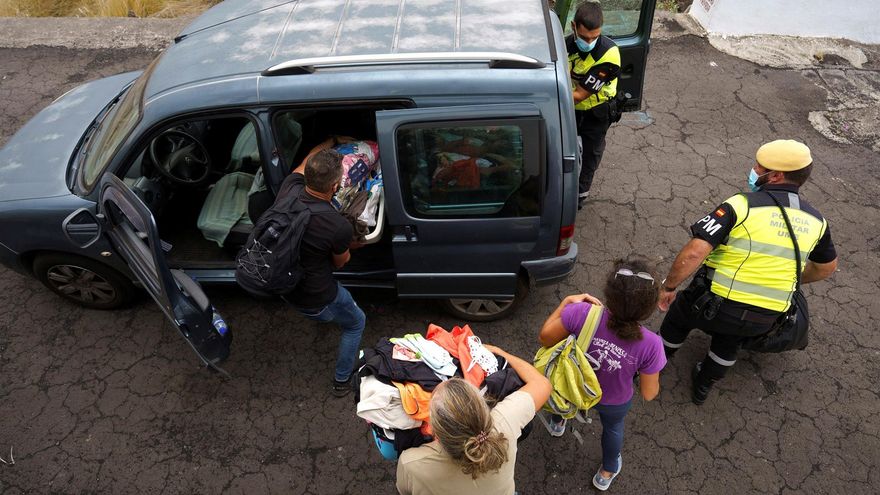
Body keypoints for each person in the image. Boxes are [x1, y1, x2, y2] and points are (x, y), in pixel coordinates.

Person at [657, 139, 838, 405]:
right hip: (766, 316)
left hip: (713, 303)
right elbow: (826, 267)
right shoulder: (817, 221)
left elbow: (695, 252)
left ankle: (655, 364)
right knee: (731, 340)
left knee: (678, 318)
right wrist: (791, 278)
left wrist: (669, 287)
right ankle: (703, 383)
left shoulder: (742, 205)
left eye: (759, 166)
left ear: (775, 175)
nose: (753, 169)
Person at [538, 257, 666, 491]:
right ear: (649, 307)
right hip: (613, 399)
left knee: (566, 398)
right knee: (613, 428)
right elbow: (649, 393)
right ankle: (607, 471)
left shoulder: (582, 312)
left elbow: (545, 337)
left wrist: (566, 301)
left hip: (573, 383)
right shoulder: (652, 345)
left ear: (609, 293)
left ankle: (558, 423)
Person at [395, 345, 552, 495]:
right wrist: (500, 352)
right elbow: (542, 384)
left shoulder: (412, 463)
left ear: (434, 431)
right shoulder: (505, 421)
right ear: (484, 405)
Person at [283, 143, 366, 397]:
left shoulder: (289, 188)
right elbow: (341, 261)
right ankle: (341, 381)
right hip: (317, 294)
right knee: (355, 323)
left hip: (286, 284)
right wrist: (353, 242)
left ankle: (323, 318)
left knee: (325, 314)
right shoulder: (336, 225)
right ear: (334, 187)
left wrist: (328, 142)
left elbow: (303, 163)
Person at [567, 1, 621, 209]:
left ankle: (578, 198)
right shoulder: (565, 45)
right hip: (570, 110)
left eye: (594, 37)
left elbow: (580, 94)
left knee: (590, 155)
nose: (589, 42)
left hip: (596, 113)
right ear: (573, 26)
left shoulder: (609, 54)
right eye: (584, 37)